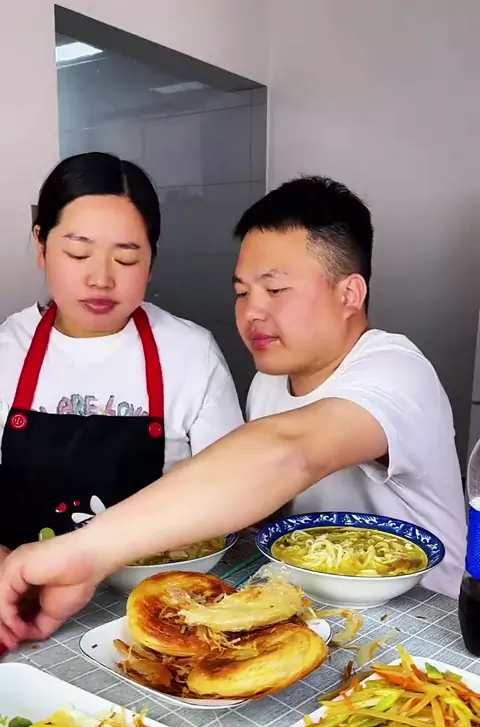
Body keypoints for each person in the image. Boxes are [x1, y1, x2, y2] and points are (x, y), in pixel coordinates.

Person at [0, 175, 466, 649]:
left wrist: (87, 551)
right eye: (243, 292)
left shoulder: (398, 371)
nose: (251, 312)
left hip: (427, 631)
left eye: (275, 290)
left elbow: (289, 451)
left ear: (349, 294)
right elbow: (257, 500)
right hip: (318, 622)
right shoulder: (269, 383)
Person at [0, 151, 243, 560]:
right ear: (42, 246)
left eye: (126, 258)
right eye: (78, 254)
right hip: (20, 587)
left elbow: (234, 492)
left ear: (151, 261)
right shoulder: (7, 350)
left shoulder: (190, 354)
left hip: (159, 586)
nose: (101, 279)